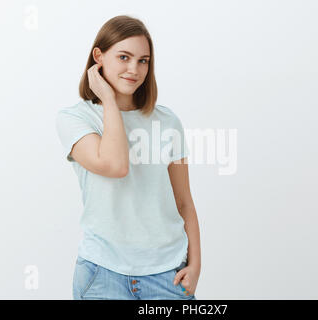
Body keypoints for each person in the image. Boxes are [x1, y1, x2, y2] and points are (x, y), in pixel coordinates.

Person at [55, 15, 201, 300]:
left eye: (143, 60)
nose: (134, 69)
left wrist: (195, 265)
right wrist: (109, 101)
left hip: (168, 275)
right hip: (102, 275)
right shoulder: (75, 119)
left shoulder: (168, 121)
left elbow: (184, 202)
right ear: (99, 57)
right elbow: (115, 165)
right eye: (124, 57)